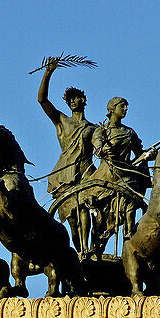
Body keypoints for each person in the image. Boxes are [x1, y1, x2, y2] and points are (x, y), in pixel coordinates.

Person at [38, 58, 95, 255]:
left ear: (84, 100)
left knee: (85, 208)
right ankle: (80, 250)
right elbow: (43, 101)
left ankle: (88, 248)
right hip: (65, 173)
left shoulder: (93, 128)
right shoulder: (62, 121)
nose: (72, 101)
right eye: (69, 99)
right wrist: (48, 73)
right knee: (72, 218)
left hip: (86, 171)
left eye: (76, 97)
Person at [91, 97, 151, 248]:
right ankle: (98, 242)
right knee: (100, 220)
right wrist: (101, 148)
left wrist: (150, 155)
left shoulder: (129, 132)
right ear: (112, 109)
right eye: (122, 106)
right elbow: (97, 143)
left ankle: (128, 238)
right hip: (107, 176)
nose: (125, 109)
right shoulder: (102, 131)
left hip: (127, 177)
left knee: (130, 206)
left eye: (126, 106)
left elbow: (139, 153)